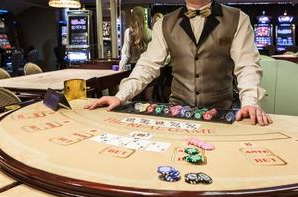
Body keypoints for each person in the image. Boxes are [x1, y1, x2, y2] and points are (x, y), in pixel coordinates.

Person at [85, 0, 272, 126]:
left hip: (222, 112)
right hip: (177, 112)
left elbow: (247, 65)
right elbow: (147, 66)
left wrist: (250, 102)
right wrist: (120, 96)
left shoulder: (238, 18)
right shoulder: (165, 23)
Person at [119, 6, 152, 71]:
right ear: (143, 17)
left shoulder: (128, 32)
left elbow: (126, 54)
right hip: (146, 68)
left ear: (132, 17)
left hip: (134, 67)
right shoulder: (150, 33)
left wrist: (121, 69)